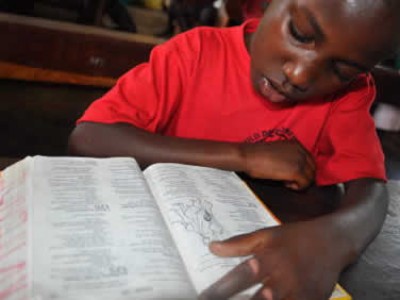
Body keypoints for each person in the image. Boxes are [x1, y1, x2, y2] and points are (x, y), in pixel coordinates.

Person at [68, 0, 400, 298]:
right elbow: (88, 137)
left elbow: (370, 189)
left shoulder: (346, 97)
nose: (299, 75)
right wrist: (242, 156)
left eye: (341, 71)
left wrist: (336, 240)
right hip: (150, 244)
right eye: (299, 33)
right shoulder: (194, 53)